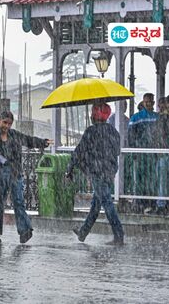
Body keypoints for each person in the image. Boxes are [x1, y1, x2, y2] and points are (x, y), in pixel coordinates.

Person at [0, 111, 52, 244]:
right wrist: (5, 161)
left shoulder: (14, 135)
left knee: (19, 201)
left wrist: (42, 142)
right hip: (0, 173)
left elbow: (28, 140)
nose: (7, 126)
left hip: (15, 172)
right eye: (5, 122)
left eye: (9, 123)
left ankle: (24, 231)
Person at [67, 103, 124, 245]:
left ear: (95, 115)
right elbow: (117, 151)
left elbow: (79, 151)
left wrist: (70, 168)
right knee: (96, 204)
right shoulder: (113, 131)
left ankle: (119, 234)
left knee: (106, 203)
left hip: (97, 172)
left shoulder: (91, 132)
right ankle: (83, 232)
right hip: (109, 171)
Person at [128, 93, 159, 213]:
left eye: (150, 102)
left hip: (149, 153)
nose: (148, 104)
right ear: (143, 102)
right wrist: (134, 149)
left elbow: (130, 136)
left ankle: (146, 202)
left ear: (153, 103)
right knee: (142, 178)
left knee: (149, 179)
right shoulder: (137, 117)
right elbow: (131, 136)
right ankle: (142, 202)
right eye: (146, 102)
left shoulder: (139, 118)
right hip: (142, 153)